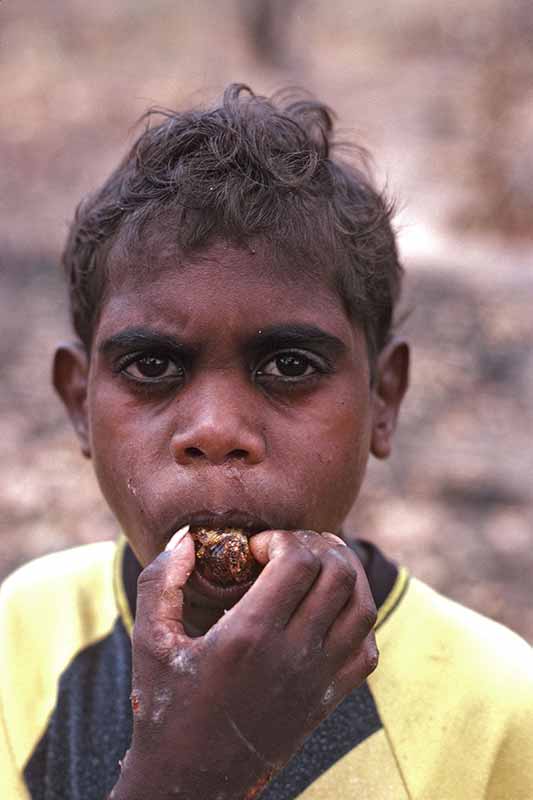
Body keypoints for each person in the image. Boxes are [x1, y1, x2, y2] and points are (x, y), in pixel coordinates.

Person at [1, 83, 532, 800]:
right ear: (78, 402)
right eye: (152, 367)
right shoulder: (23, 640)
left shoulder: (497, 711)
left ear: (383, 397)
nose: (217, 431)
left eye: (289, 366)